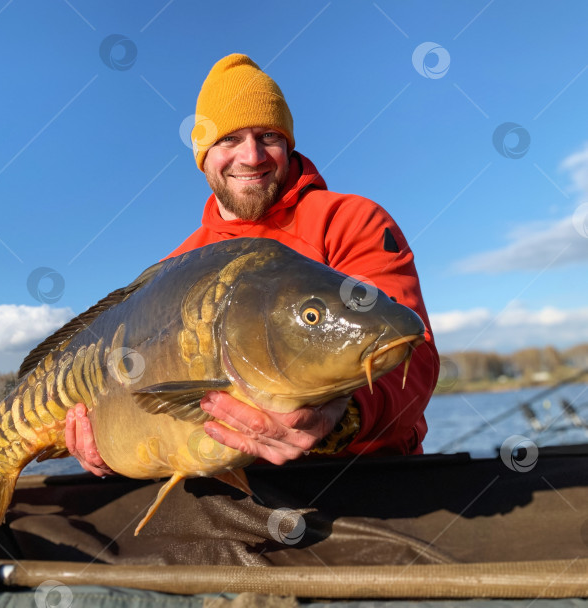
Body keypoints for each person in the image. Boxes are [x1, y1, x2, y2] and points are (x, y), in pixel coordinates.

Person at [65, 53, 440, 476]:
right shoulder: (176, 268)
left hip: (366, 481)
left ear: (288, 144)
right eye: (228, 139)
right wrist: (116, 450)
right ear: (203, 156)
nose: (252, 156)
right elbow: (148, 410)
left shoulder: (350, 220)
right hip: (233, 494)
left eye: (268, 136)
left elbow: (409, 351)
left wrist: (342, 419)